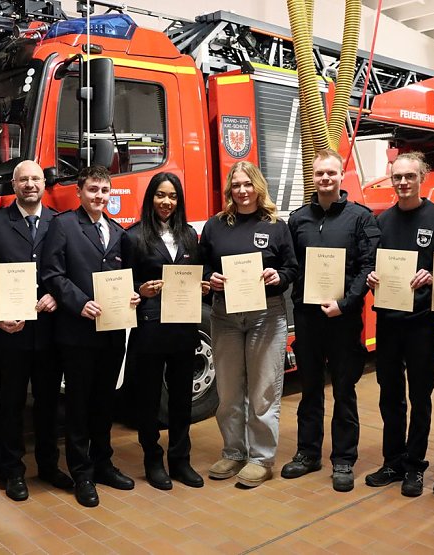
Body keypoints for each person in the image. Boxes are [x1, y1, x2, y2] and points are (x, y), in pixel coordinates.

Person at [40, 165, 140, 507]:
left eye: (104, 191)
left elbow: (126, 277)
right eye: (93, 190)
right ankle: (81, 473)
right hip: (77, 332)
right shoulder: (63, 225)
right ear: (79, 192)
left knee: (104, 402)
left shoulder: (118, 232)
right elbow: (52, 273)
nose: (99, 196)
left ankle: (104, 464)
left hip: (112, 332)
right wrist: (79, 303)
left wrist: (133, 295)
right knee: (79, 405)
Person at [0, 160, 73, 502]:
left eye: (35, 179)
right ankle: (13, 470)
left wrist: (55, 295)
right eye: (23, 180)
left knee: (48, 403)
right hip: (10, 331)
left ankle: (48, 465)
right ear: (14, 185)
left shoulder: (60, 223)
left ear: (44, 184)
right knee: (12, 403)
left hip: (49, 330)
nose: (30, 184)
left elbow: (67, 270)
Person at [283, 148, 380, 492]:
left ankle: (343, 459)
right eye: (319, 173)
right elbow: (291, 266)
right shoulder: (297, 220)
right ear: (313, 177)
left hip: (343, 318)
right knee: (309, 388)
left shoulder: (360, 218)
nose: (325, 179)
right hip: (308, 318)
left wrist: (346, 303)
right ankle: (308, 453)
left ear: (341, 176)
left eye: (331, 173)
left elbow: (369, 266)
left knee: (343, 388)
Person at [199, 161, 297, 488]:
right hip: (225, 315)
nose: (242, 191)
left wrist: (278, 276)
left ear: (257, 187)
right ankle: (234, 451)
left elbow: (291, 269)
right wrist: (208, 278)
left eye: (247, 184)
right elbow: (201, 267)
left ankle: (261, 458)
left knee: (263, 392)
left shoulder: (275, 226)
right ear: (230, 189)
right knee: (227, 392)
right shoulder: (215, 226)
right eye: (236, 185)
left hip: (266, 315)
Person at [363, 152, 434, 497]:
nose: (402, 183)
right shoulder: (381, 222)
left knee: (420, 395)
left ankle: (415, 465)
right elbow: (371, 265)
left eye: (409, 177)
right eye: (397, 177)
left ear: (421, 179)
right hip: (387, 321)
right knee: (390, 395)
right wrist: (372, 277)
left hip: (421, 325)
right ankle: (393, 460)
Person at [127, 172, 209, 491]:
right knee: (148, 399)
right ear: (151, 198)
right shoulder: (134, 237)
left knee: (181, 399)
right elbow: (122, 283)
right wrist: (140, 289)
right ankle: (152, 459)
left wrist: (203, 287)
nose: (167, 202)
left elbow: (197, 275)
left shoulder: (189, 235)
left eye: (173, 196)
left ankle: (180, 460)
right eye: (161, 195)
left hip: (184, 327)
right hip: (149, 329)